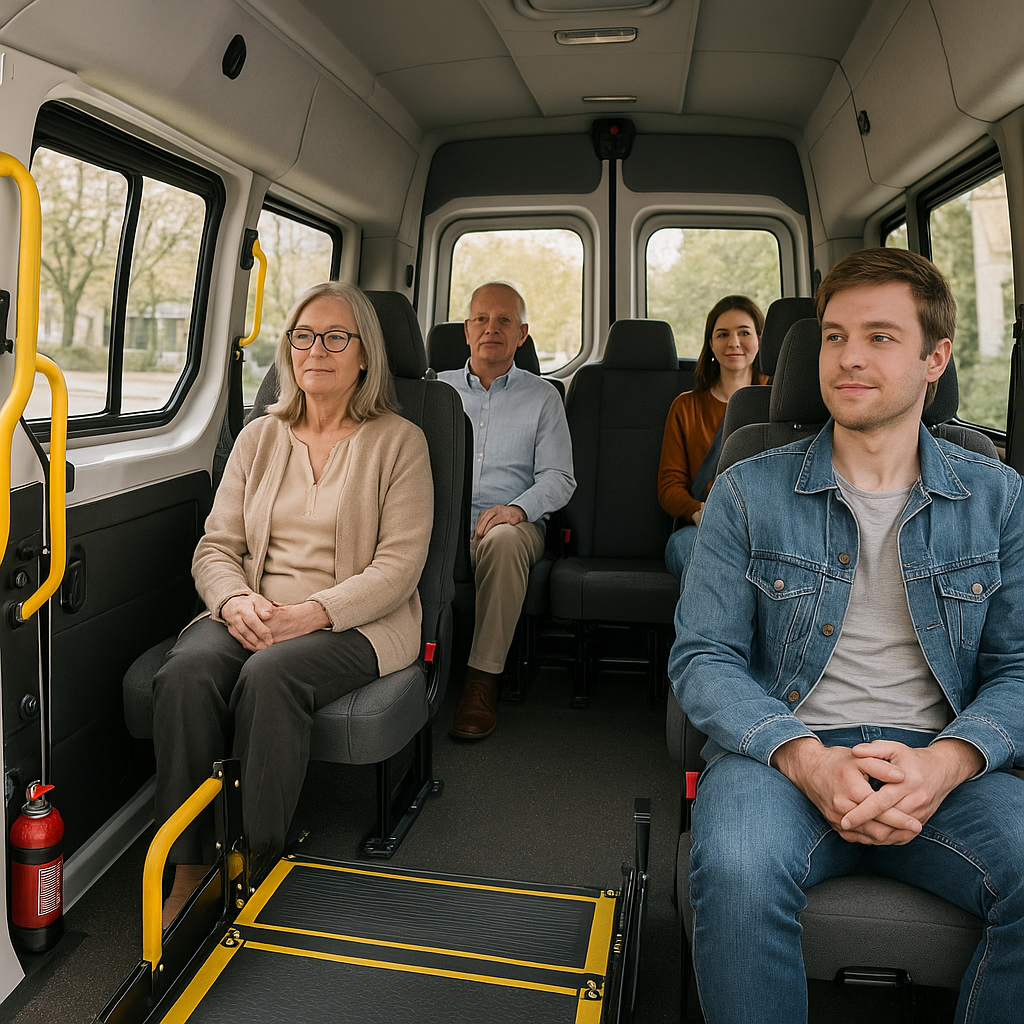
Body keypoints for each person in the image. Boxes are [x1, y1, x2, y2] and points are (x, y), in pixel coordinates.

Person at [670, 248, 1024, 1024]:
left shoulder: (999, 498)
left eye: (880, 337)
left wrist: (945, 763)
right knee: (733, 864)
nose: (849, 358)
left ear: (937, 358)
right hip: (783, 750)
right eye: (833, 337)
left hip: (942, 758)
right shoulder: (745, 489)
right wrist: (806, 758)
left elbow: (1019, 668)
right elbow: (703, 657)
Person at [152, 282, 432, 926]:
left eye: (337, 337)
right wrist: (234, 601)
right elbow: (215, 547)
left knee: (271, 673)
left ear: (365, 355)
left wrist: (310, 615)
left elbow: (398, 568)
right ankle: (193, 864)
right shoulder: (258, 438)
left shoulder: (401, 441)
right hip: (255, 607)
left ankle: (253, 855)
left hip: (354, 622)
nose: (317, 350)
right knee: (186, 673)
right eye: (303, 337)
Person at [437, 281, 575, 740]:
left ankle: (481, 680)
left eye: (504, 321)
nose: (491, 329)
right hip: (438, 522)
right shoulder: (435, 392)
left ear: (523, 334)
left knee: (501, 538)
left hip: (513, 526)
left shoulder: (544, 397)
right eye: (481, 319)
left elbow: (560, 478)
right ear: (466, 329)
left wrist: (516, 509)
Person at [657, 295, 768, 580]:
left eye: (744, 332)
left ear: (760, 339)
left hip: (766, 527)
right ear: (710, 344)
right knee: (684, 547)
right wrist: (697, 512)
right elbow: (669, 486)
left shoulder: (779, 402)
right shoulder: (686, 407)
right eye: (723, 334)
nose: (733, 343)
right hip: (704, 526)